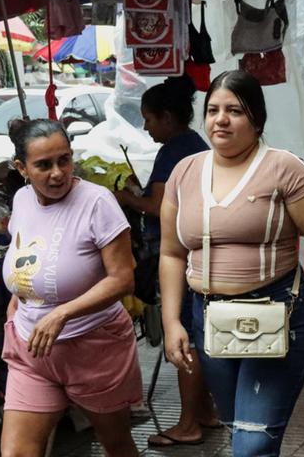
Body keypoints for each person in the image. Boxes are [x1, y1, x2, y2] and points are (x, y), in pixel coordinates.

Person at [158, 71, 304, 457]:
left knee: (251, 445)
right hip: (209, 322)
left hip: (275, 318)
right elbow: (171, 253)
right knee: (239, 433)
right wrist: (171, 322)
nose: (221, 119)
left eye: (234, 110)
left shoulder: (285, 169)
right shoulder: (184, 172)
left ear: (256, 119)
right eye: (213, 110)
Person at [0, 119, 142, 457]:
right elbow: (28, 258)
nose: (57, 173)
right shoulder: (21, 200)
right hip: (31, 350)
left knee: (116, 445)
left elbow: (123, 278)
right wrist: (18, 299)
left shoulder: (97, 202)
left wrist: (63, 312)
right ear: (22, 168)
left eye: (64, 160)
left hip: (94, 348)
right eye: (43, 165)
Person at [112, 77, 218, 447]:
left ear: (168, 117)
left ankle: (189, 423)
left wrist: (125, 198)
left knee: (183, 336)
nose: (145, 127)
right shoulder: (193, 145)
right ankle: (204, 411)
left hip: (179, 255)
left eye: (149, 119)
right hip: (196, 251)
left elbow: (158, 207)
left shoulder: (175, 150)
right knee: (194, 333)